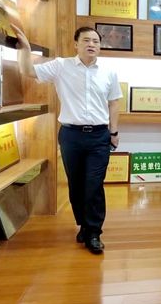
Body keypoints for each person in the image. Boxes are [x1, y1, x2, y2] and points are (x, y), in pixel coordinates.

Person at [16, 26, 122, 255]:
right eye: (86, 40)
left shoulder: (109, 72)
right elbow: (28, 70)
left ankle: (94, 233)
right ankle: (84, 225)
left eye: (96, 41)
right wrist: (25, 49)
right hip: (71, 135)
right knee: (76, 184)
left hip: (99, 136)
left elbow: (114, 102)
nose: (91, 44)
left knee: (94, 184)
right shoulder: (61, 66)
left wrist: (114, 132)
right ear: (76, 44)